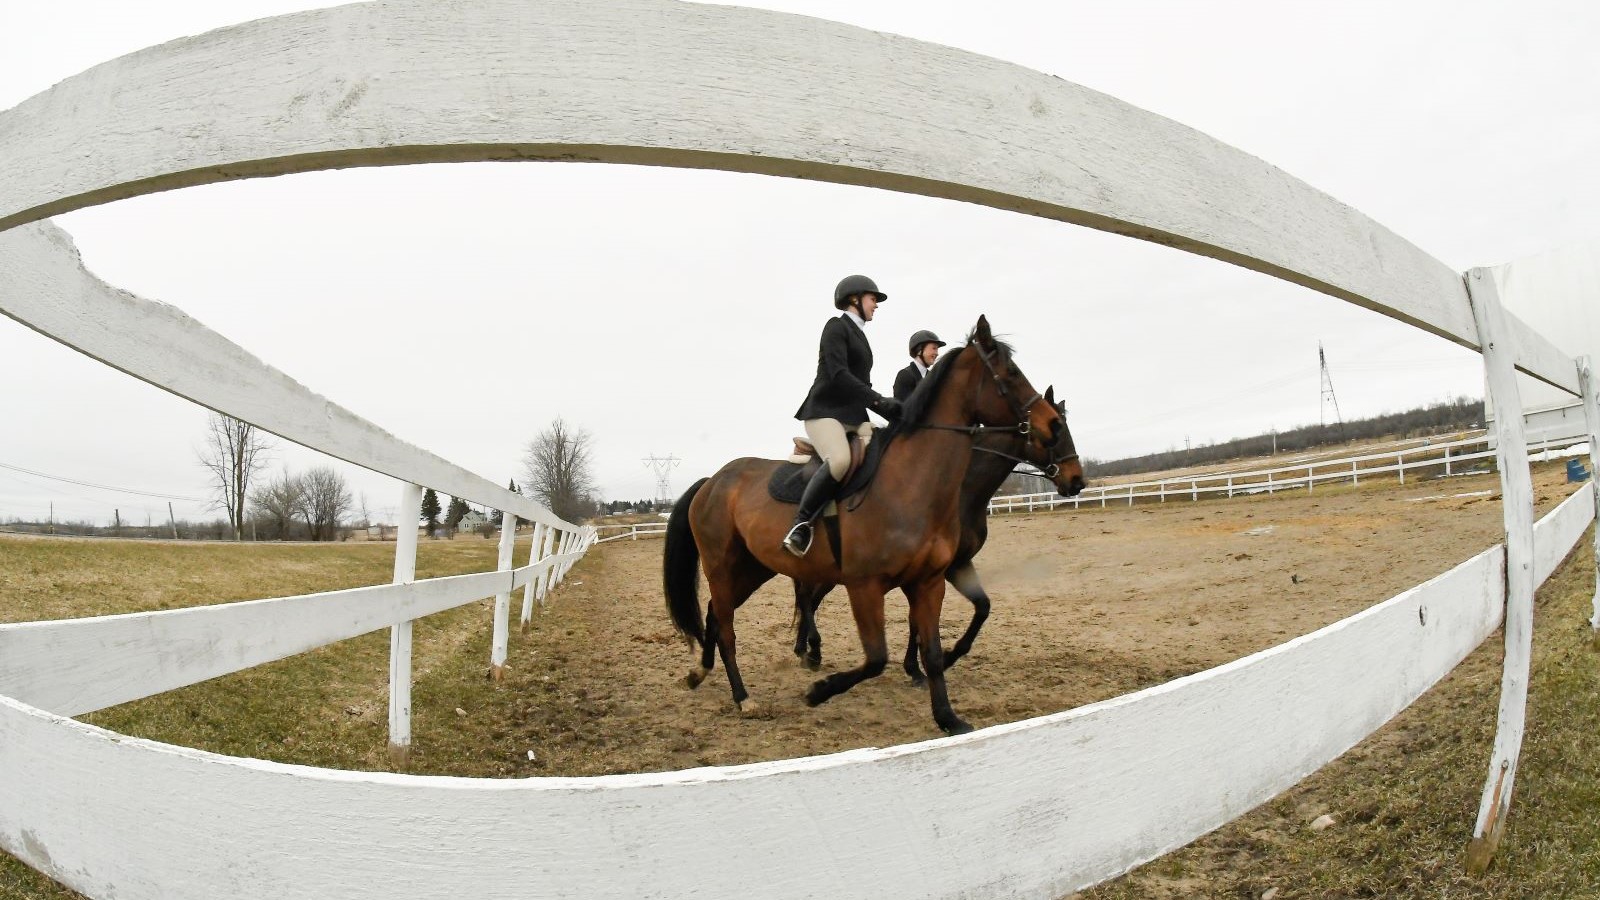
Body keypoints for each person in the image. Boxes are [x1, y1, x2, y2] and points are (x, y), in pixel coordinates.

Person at [784, 275, 903, 556]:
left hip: (853, 414)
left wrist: (891, 408)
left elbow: (863, 386)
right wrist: (879, 402)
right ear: (855, 299)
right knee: (839, 460)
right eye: (873, 299)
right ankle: (801, 525)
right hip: (825, 412)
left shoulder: (860, 336)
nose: (876, 305)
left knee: (888, 448)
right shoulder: (836, 327)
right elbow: (839, 376)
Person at [893, 329, 946, 402]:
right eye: (934, 348)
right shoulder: (905, 375)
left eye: (937, 349)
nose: (937, 353)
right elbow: (903, 409)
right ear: (919, 349)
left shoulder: (934, 378)